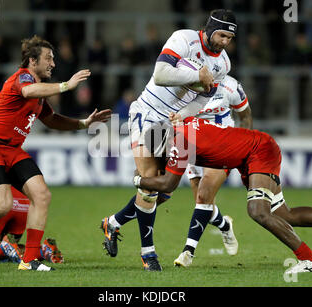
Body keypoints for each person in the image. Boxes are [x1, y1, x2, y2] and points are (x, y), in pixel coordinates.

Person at [0, 35, 112, 271]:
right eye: (48, 58)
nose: (53, 64)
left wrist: (83, 124)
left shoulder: (39, 95)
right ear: (32, 61)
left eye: (53, 59)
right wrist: (66, 85)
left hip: (12, 150)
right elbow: (28, 92)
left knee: (42, 195)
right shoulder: (22, 79)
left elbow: (52, 119)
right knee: (3, 205)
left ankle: (29, 260)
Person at [132, 116, 312, 273]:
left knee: (258, 212)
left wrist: (139, 180)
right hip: (253, 152)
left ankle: (310, 260)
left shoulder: (179, 142)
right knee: (285, 214)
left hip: (258, 152)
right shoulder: (184, 127)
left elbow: (170, 184)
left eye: (159, 152)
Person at [100, 9, 237, 271]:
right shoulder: (183, 40)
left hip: (173, 123)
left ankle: (113, 223)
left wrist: (182, 115)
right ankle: (148, 253)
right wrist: (197, 75)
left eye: (229, 38)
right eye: (221, 35)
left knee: (165, 191)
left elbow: (204, 98)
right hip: (147, 113)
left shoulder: (224, 64)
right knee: (150, 184)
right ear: (209, 29)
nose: (224, 42)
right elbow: (161, 74)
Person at [174, 74, 252, 267]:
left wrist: (244, 145)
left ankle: (188, 252)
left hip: (222, 146)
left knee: (203, 196)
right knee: (203, 205)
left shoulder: (231, 85)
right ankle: (225, 225)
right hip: (193, 146)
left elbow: (245, 115)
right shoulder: (183, 84)